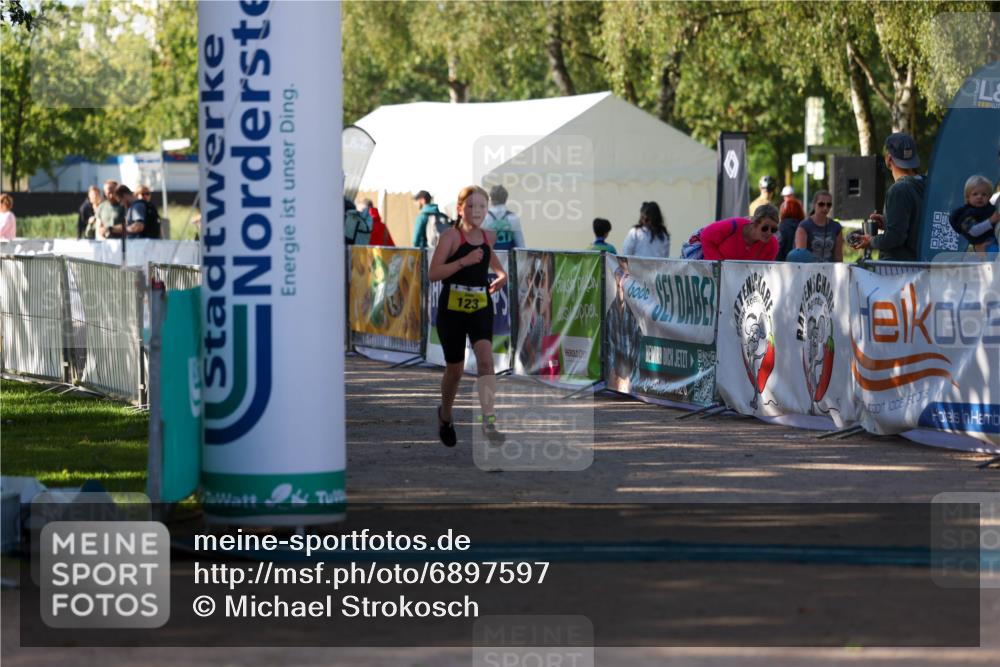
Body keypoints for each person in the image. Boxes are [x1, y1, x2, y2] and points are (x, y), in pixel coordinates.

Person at [428, 185, 508, 447]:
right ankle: (446, 415)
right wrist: (463, 262)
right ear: (460, 209)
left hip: (480, 308)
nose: (477, 211)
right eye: (472, 206)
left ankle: (489, 421)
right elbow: (434, 273)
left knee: (486, 363)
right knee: (456, 370)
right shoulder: (451, 237)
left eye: (482, 207)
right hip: (452, 311)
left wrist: (502, 275)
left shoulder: (488, 236)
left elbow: (491, 261)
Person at [849, 132, 926, 260]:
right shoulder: (926, 184)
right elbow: (917, 225)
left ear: (888, 159)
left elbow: (895, 238)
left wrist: (871, 241)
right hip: (923, 264)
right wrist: (887, 222)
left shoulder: (899, 190)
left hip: (899, 270)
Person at [699, 204, 780, 261]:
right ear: (755, 223)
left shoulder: (772, 246)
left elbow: (762, 272)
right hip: (712, 276)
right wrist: (719, 265)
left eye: (773, 230)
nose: (769, 233)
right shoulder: (733, 226)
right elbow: (705, 235)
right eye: (765, 228)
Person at [949, 175, 998, 256]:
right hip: (984, 246)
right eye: (975, 194)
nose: (980, 197)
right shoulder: (966, 213)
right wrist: (991, 220)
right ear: (968, 197)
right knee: (994, 253)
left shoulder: (990, 209)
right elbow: (973, 231)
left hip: (991, 241)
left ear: (989, 197)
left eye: (984, 194)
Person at [795, 190, 843, 262]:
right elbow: (801, 257)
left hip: (830, 271)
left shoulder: (836, 227)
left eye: (829, 205)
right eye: (821, 204)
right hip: (809, 271)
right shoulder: (804, 226)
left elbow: (838, 257)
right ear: (814, 205)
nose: (825, 208)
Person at [482, 184, 525, 251]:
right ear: (506, 198)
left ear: (490, 198)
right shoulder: (514, 218)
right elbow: (521, 247)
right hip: (508, 260)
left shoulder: (483, 218)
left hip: (489, 259)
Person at [776, 197, 806, 261]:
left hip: (783, 265)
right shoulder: (805, 227)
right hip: (801, 265)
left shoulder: (781, 227)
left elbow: (778, 249)